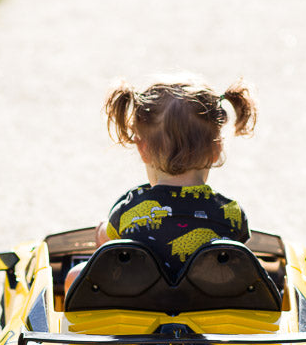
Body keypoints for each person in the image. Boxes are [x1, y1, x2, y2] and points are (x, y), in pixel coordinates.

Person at [65, 75, 258, 292]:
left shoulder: (131, 209)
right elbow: (237, 258)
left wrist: (101, 230)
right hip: (207, 307)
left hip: (138, 307)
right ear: (216, 149)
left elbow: (107, 243)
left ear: (142, 148)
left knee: (75, 274)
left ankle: (76, 324)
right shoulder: (231, 213)